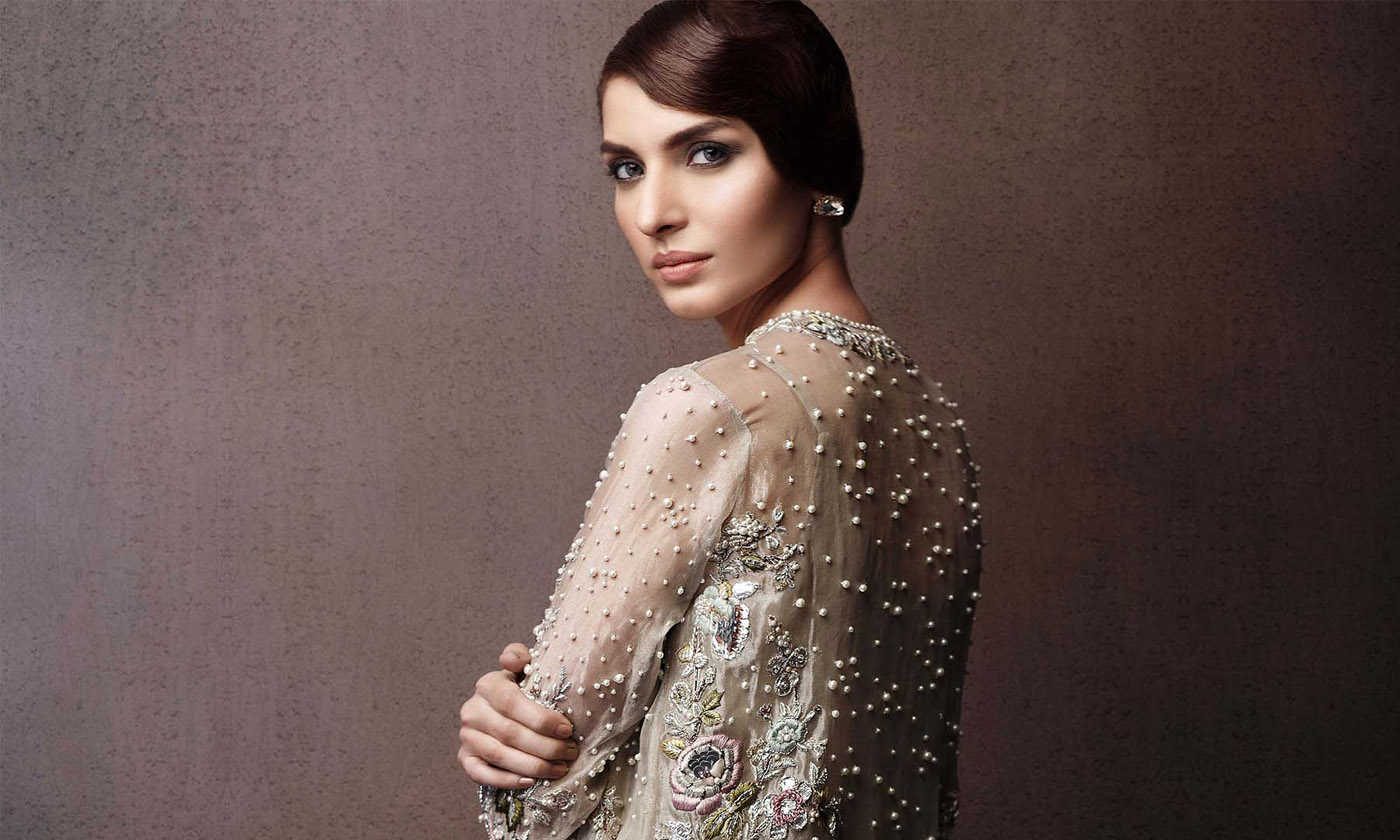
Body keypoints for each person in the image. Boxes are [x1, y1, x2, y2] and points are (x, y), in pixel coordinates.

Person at [457, 2, 985, 838]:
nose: (653, 212)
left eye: (707, 153)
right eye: (626, 168)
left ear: (815, 158)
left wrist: (508, 738)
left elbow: (536, 808)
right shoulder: (936, 430)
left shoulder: (707, 408)